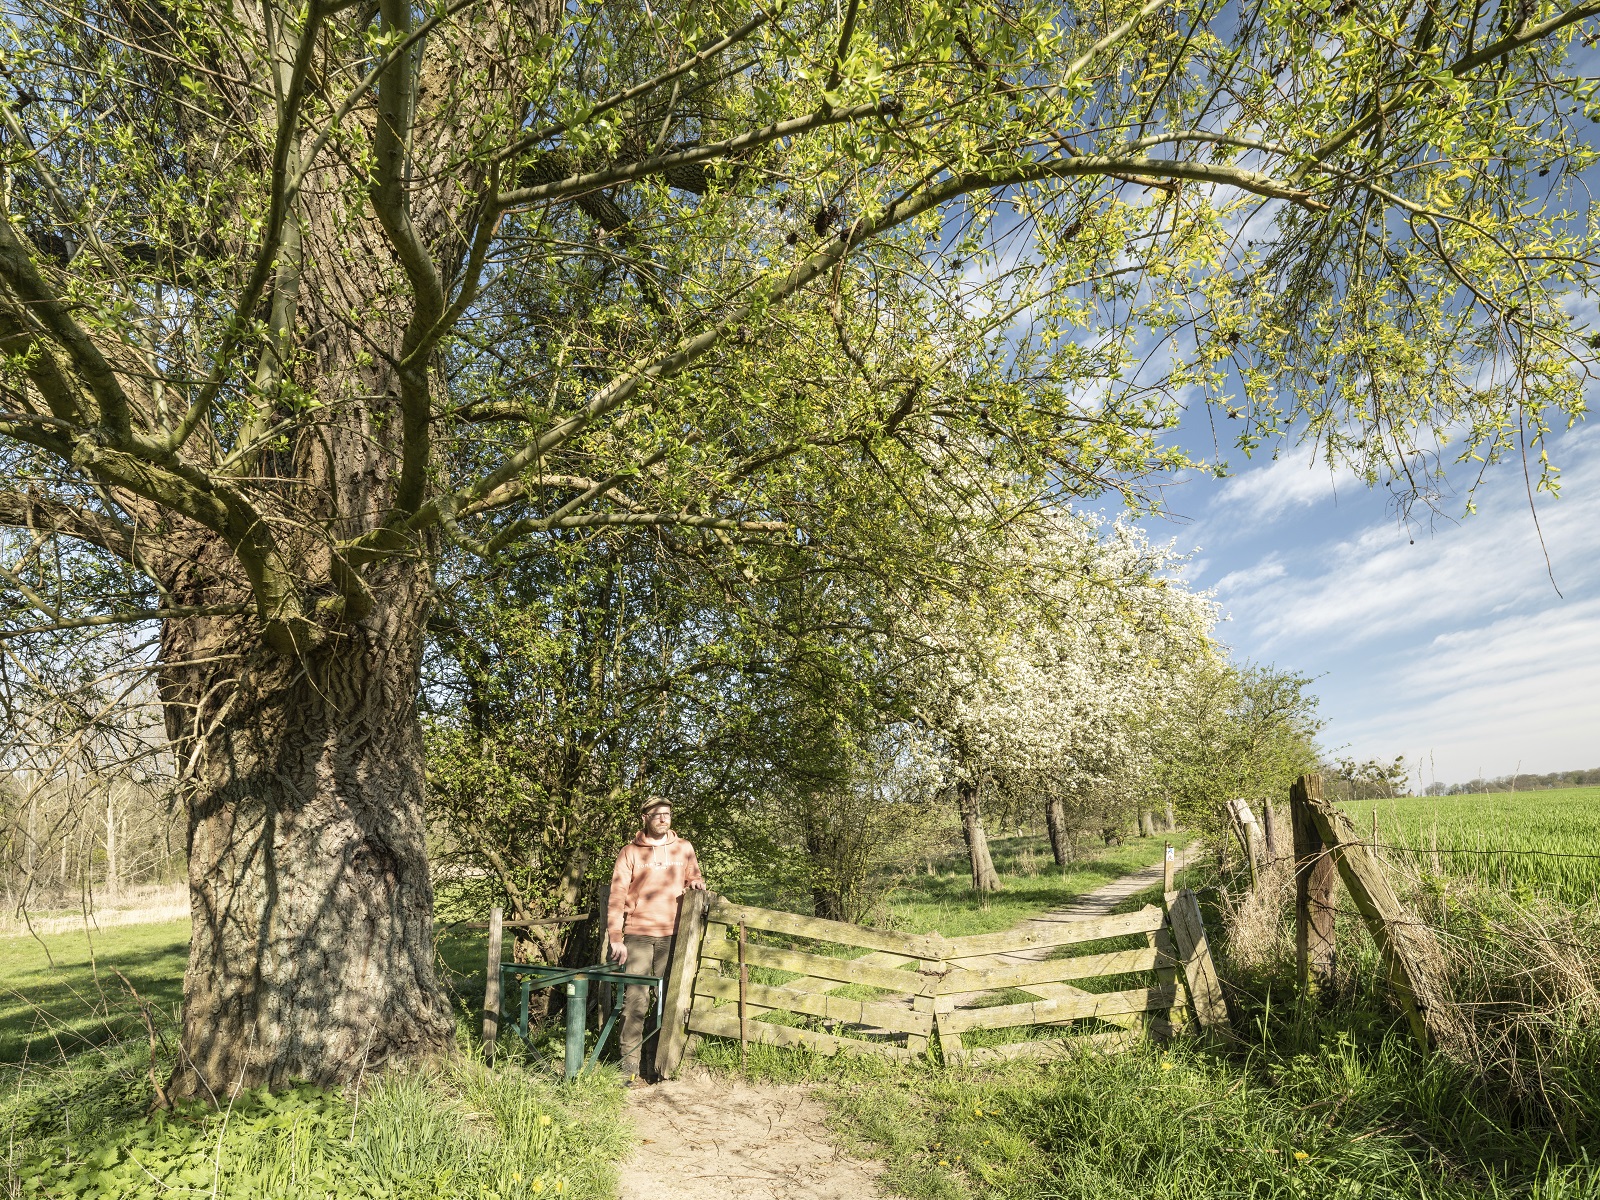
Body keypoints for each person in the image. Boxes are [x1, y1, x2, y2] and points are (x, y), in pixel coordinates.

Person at [606, 796, 704, 1084]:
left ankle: (656, 1063)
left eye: (668, 814)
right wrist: (616, 936)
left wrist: (696, 884)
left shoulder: (684, 848)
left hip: (674, 936)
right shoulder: (630, 853)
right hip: (638, 934)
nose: (664, 818)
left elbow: (694, 878)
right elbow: (617, 895)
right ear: (645, 818)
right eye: (657, 814)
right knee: (635, 1000)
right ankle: (629, 1066)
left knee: (666, 1000)